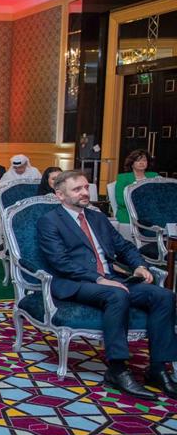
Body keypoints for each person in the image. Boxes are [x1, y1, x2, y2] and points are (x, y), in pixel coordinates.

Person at [38, 170, 177, 400]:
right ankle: (118, 369)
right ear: (60, 195)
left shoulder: (97, 217)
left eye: (85, 187)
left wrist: (139, 266)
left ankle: (158, 369)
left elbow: (124, 247)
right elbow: (59, 262)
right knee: (116, 296)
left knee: (164, 296)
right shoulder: (49, 221)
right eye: (77, 189)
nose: (85, 192)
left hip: (113, 278)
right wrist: (99, 279)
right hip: (76, 282)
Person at [114, 149, 158, 224]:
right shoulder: (122, 178)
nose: (141, 163)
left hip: (151, 214)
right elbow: (120, 201)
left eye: (144, 160)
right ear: (132, 163)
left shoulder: (154, 176)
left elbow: (160, 195)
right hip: (128, 215)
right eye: (138, 160)